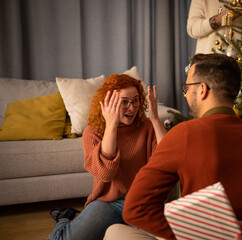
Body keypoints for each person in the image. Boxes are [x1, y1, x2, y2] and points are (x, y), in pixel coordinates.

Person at [103, 54, 242, 240]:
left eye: (188, 88)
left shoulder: (184, 134)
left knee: (114, 232)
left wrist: (197, 235)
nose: (186, 94)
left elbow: (136, 209)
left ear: (202, 90)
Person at [49, 74, 167, 240]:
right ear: (109, 103)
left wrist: (154, 119)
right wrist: (111, 125)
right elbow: (105, 174)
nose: (132, 108)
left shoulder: (146, 126)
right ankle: (64, 218)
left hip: (142, 202)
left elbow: (166, 159)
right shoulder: (93, 132)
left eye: (135, 100)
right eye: (124, 102)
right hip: (107, 203)